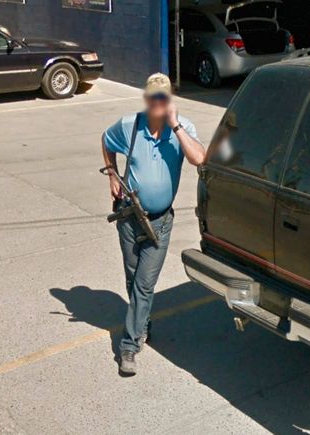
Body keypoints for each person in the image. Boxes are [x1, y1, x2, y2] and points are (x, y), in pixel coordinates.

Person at [101, 73, 206, 376]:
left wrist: (175, 125)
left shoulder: (183, 128)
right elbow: (106, 141)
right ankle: (142, 322)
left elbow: (200, 158)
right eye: (153, 96)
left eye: (163, 96)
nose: (157, 102)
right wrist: (112, 173)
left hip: (160, 222)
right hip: (129, 217)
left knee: (144, 284)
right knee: (133, 279)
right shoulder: (129, 125)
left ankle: (129, 346)